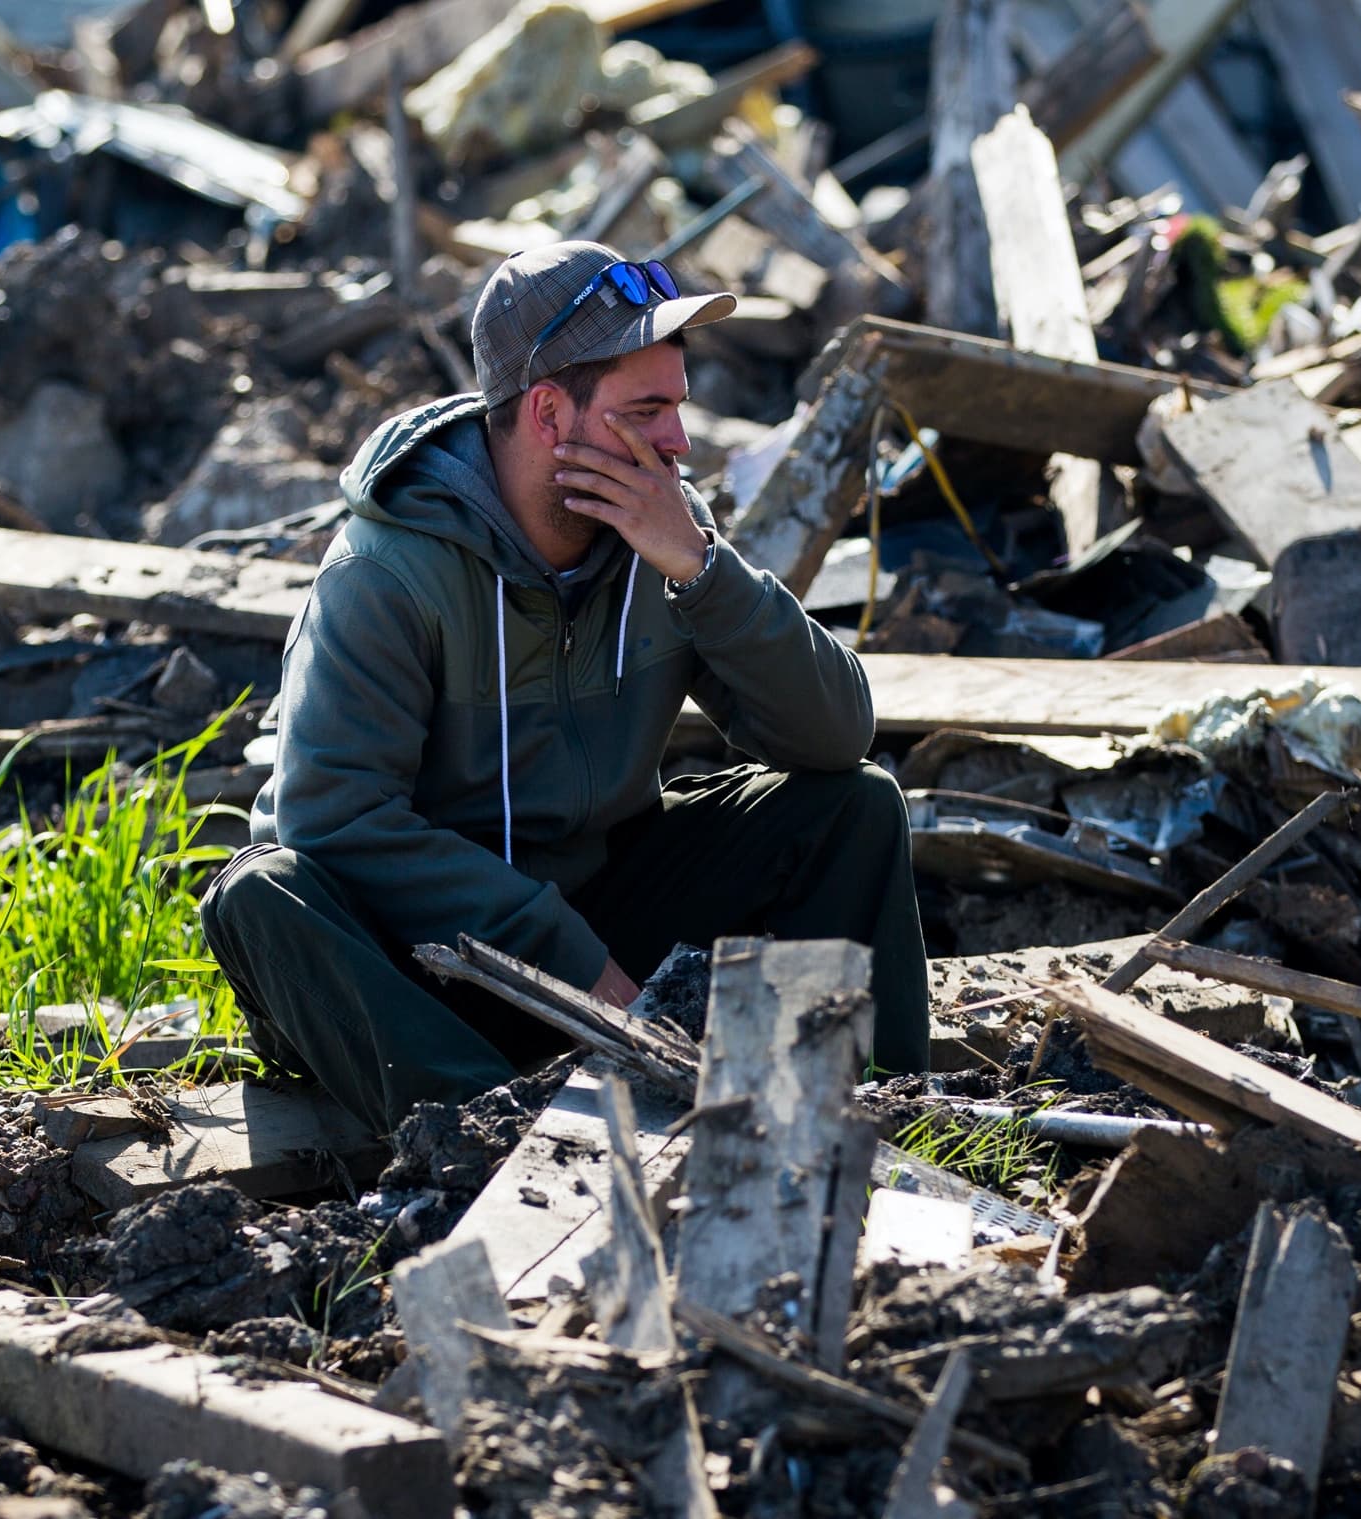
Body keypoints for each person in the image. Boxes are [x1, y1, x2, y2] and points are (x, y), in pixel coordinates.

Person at [197, 240, 930, 1135]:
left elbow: (835, 735)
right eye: (648, 409)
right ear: (550, 413)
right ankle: (482, 1145)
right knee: (262, 890)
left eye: (678, 407)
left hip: (601, 923)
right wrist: (566, 960)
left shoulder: (663, 529)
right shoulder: (387, 571)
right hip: (422, 969)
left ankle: (880, 1118)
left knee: (852, 807)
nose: (679, 440)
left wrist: (704, 570)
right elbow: (333, 820)